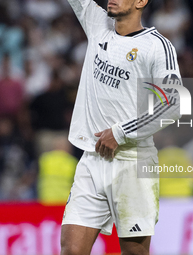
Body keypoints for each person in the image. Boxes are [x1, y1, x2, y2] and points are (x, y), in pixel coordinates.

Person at [61, 0, 182, 253]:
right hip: (92, 160)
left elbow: (172, 103)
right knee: (71, 250)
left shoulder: (157, 46)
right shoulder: (98, 24)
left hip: (132, 161)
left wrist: (120, 132)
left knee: (134, 252)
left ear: (141, 2)